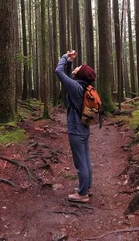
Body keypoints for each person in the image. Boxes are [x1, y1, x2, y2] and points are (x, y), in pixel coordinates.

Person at [55, 50, 96, 203]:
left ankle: (82, 194)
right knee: (85, 158)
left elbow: (58, 72)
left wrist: (64, 58)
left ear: (81, 74)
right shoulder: (84, 87)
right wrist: (70, 62)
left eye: (79, 67)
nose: (77, 67)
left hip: (76, 130)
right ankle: (87, 187)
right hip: (84, 129)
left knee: (80, 162)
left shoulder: (75, 88)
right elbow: (67, 76)